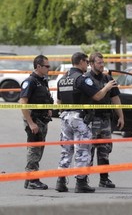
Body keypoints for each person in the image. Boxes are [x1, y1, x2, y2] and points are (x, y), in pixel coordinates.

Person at [55, 52, 117, 193]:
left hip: (65, 117)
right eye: (86, 62)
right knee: (82, 150)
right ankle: (81, 182)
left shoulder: (63, 79)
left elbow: (58, 102)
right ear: (82, 62)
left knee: (66, 151)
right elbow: (98, 96)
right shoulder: (81, 79)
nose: (87, 65)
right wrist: (107, 87)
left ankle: (61, 181)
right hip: (79, 118)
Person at [87, 52, 124, 188]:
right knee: (88, 150)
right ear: (91, 64)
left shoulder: (108, 78)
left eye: (103, 63)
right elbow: (95, 97)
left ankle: (104, 179)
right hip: (91, 119)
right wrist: (106, 87)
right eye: (99, 63)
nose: (102, 65)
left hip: (105, 119)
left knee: (105, 150)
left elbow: (115, 98)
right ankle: (83, 179)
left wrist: (121, 116)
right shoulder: (86, 79)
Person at [19, 55, 53, 190]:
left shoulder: (42, 81)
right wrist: (31, 123)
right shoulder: (30, 81)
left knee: (38, 150)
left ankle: (30, 179)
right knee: (34, 150)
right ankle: (33, 179)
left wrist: (48, 109)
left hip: (42, 120)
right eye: (47, 66)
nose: (49, 68)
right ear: (38, 66)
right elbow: (23, 103)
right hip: (34, 121)